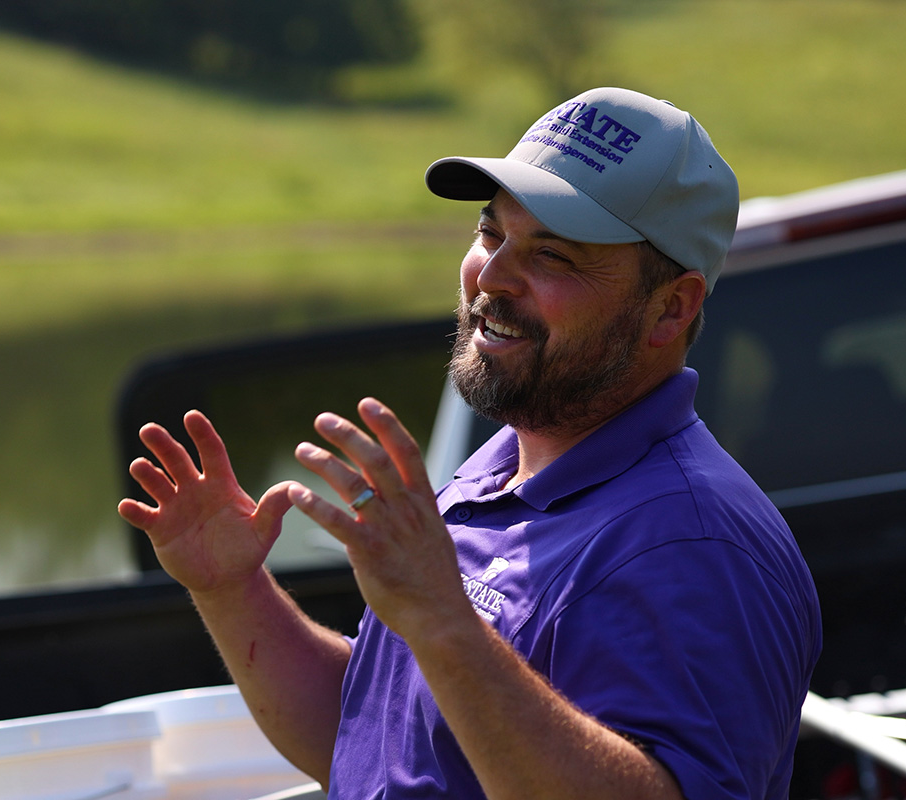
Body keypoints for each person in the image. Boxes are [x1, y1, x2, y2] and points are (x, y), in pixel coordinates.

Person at [117, 87, 821, 800]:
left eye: (553, 256)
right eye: (491, 233)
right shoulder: (502, 465)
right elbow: (377, 742)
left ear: (670, 308)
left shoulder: (691, 546)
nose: (490, 276)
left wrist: (444, 624)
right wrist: (233, 590)